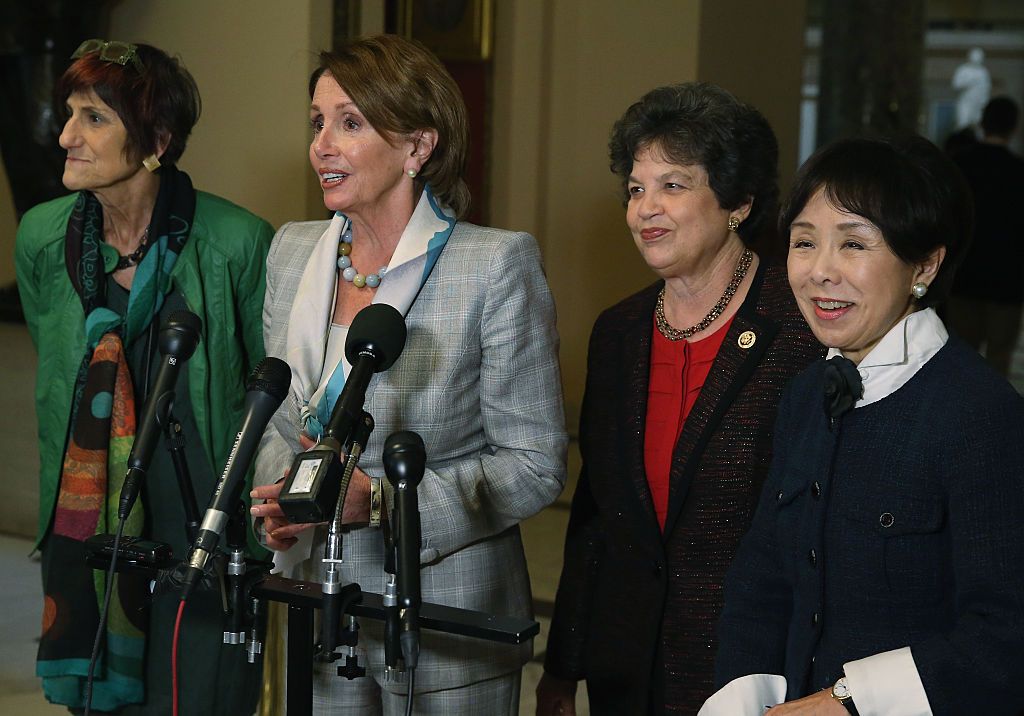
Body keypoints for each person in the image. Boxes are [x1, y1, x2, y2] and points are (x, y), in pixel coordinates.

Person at [250, 35, 566, 715]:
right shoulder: (290, 252)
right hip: (317, 604)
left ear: (418, 147)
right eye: (317, 121)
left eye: (350, 122)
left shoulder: (494, 265)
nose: (322, 145)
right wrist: (277, 501)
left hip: (445, 620)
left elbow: (536, 463)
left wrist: (390, 505)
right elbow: (279, 419)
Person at [710, 135, 1024, 715]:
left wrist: (849, 702)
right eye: (804, 243)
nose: (819, 272)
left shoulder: (981, 413)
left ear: (925, 264)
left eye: (854, 243)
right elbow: (763, 579)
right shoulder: (806, 393)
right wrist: (740, 696)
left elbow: (1005, 635)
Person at [536, 83, 822, 715]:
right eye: (636, 189)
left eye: (673, 184)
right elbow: (595, 517)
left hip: (751, 675)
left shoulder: (801, 327)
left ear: (739, 200)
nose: (646, 209)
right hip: (625, 671)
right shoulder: (618, 332)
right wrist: (563, 667)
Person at [14, 40, 273, 714]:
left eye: (94, 118)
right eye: (69, 113)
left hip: (203, 539)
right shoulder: (43, 236)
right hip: (91, 531)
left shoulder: (238, 243)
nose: (66, 135)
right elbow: (61, 377)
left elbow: (271, 399)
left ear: (157, 138)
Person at [946, 96, 1024, 377]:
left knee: (960, 360)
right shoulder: (1019, 172)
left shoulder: (959, 166)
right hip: (1007, 284)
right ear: (1014, 127)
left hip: (964, 277)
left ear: (982, 123)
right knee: (999, 361)